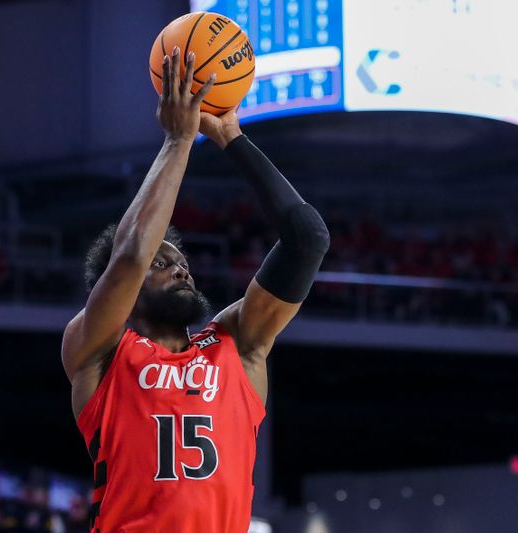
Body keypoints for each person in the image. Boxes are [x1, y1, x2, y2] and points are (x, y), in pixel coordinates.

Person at [60, 46, 329, 533]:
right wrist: (179, 141)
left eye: (181, 261)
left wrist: (232, 138)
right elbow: (130, 257)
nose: (180, 268)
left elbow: (308, 239)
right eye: (164, 264)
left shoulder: (235, 343)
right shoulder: (100, 349)